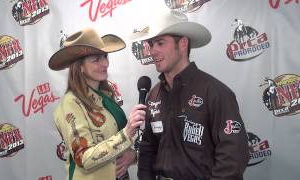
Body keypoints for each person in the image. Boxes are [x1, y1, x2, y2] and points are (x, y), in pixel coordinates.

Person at [135, 11, 249, 180]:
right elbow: (148, 148)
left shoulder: (215, 92)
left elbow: (233, 155)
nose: (152, 51)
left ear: (182, 43)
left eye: (160, 43)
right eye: (151, 45)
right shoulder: (154, 94)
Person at [48, 28, 146, 180]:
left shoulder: (105, 97)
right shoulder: (70, 103)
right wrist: (126, 133)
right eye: (96, 60)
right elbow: (83, 159)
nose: (105, 63)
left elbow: (118, 147)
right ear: (79, 67)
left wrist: (133, 156)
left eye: (105, 57)